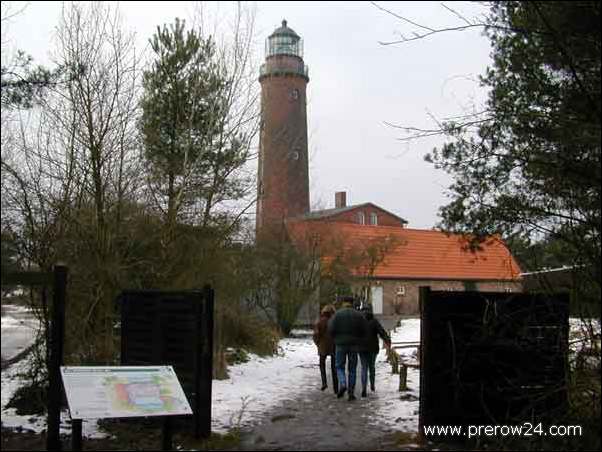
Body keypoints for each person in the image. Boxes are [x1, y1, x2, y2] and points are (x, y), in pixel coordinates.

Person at [328, 296, 367, 401]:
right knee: (352, 369)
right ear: (352, 303)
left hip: (340, 344)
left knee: (339, 366)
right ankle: (351, 393)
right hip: (354, 345)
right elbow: (364, 330)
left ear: (343, 302)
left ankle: (343, 383)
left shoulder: (337, 314)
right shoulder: (358, 315)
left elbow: (331, 329)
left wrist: (335, 338)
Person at [359, 305, 391, 397]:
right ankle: (372, 385)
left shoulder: (359, 322)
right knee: (371, 367)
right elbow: (382, 332)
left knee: (364, 368)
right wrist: (387, 340)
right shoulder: (374, 321)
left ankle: (364, 388)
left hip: (361, 348)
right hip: (373, 348)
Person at [312, 304, 338, 394]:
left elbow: (316, 334)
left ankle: (324, 382)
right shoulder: (335, 321)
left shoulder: (320, 322)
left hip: (323, 345)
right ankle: (336, 387)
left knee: (322, 364)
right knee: (334, 366)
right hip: (333, 345)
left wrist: (317, 343)